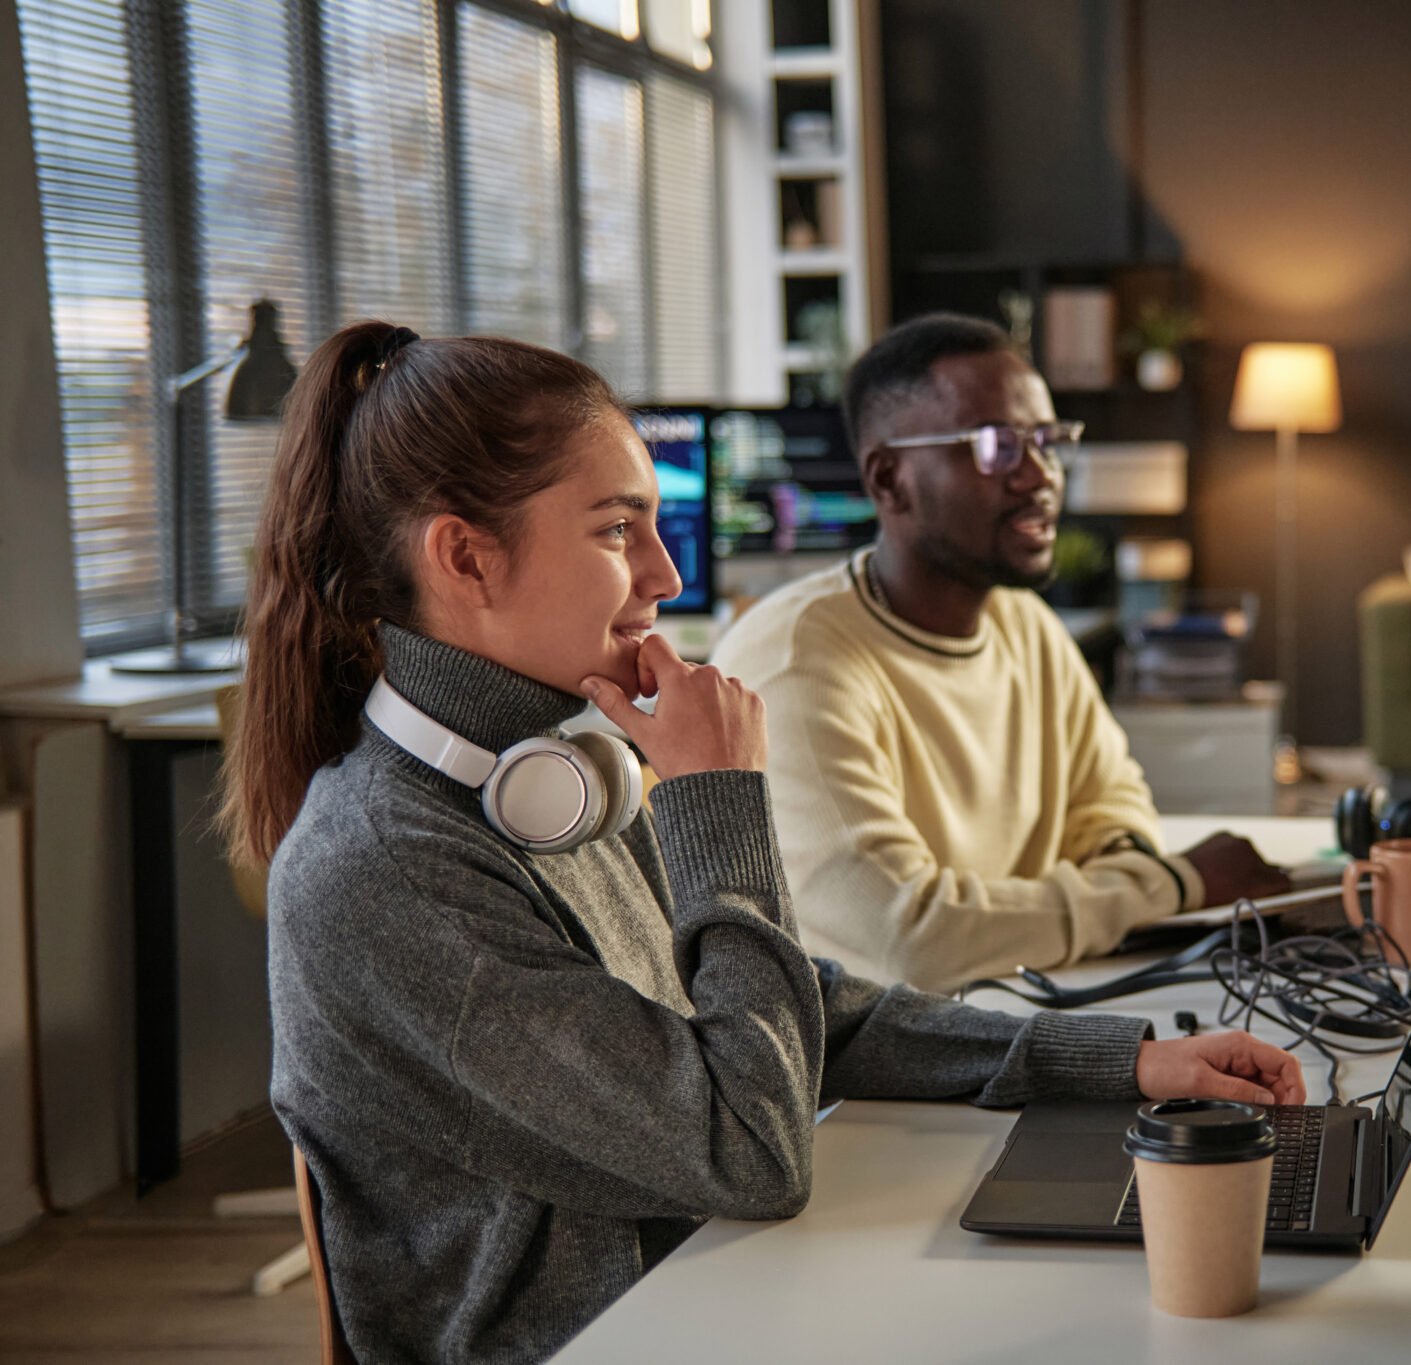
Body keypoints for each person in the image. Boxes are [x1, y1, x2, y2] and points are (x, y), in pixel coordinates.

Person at [222, 321, 1306, 1365]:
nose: (664, 575)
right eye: (614, 530)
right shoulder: (389, 868)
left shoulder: (544, 772)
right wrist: (716, 800)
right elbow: (747, 1150)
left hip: (710, 1287)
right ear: (464, 556)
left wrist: (1119, 1061)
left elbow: (805, 1011)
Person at [710, 314, 1291, 994]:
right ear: (889, 478)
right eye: (997, 446)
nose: (1040, 475)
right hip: (853, 1074)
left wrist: (1025, 917)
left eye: (1048, 440)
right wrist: (1176, 881)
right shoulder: (794, 663)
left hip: (1019, 1002)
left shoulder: (1028, 627)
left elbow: (1113, 814)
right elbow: (910, 941)